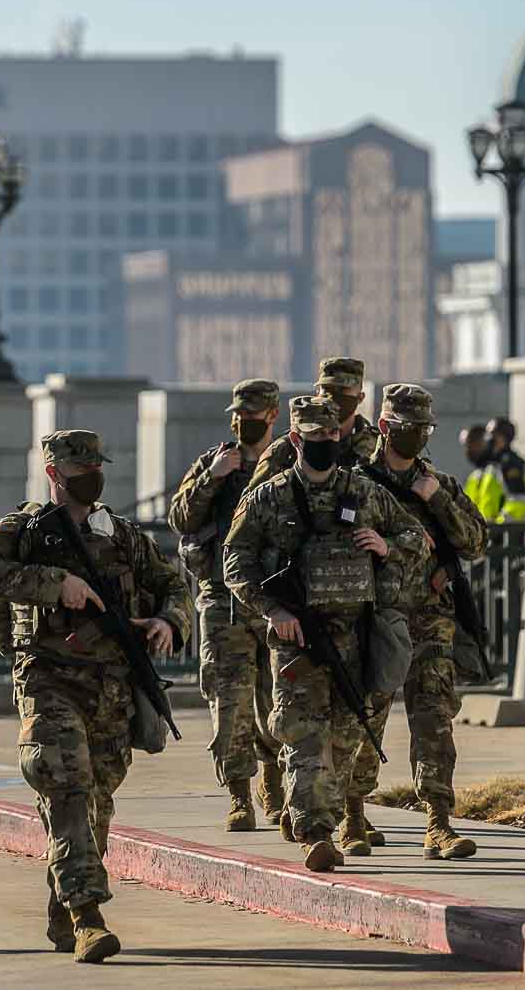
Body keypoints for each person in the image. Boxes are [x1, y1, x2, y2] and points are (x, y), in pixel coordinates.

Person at [0, 430, 191, 963]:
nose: (91, 476)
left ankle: (63, 906)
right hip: (50, 681)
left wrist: (168, 620)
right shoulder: (23, 530)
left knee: (95, 806)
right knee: (66, 788)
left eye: (96, 466)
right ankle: (89, 914)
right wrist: (55, 584)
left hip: (112, 689)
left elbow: (174, 585)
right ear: (54, 474)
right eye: (78, 469)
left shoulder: (123, 534)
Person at [222, 396, 428, 873]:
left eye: (331, 437)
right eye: (314, 439)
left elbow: (415, 537)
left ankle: (322, 816)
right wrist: (271, 610)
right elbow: (235, 561)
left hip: (355, 638)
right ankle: (315, 832)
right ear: (295, 440)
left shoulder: (363, 492)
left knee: (345, 740)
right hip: (297, 639)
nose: (324, 445)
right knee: (304, 734)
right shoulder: (268, 497)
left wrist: (386, 544)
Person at [346, 384, 489, 860]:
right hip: (379, 619)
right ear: (385, 428)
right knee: (368, 719)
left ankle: (439, 823)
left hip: (431, 620)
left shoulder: (438, 485)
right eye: (409, 429)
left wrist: (439, 502)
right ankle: (352, 815)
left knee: (434, 719)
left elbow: (475, 541)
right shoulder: (358, 483)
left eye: (424, 429)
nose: (418, 437)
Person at [167, 377, 285, 832]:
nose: (243, 422)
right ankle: (239, 793)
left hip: (274, 598)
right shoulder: (214, 463)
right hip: (222, 599)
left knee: (278, 698)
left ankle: (273, 779)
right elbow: (180, 518)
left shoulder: (285, 463)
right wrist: (212, 478)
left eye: (252, 415)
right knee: (228, 699)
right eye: (237, 414)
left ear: (272, 416)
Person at [246, 357, 379, 491]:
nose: (332, 397)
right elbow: (252, 502)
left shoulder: (376, 446)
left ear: (360, 398)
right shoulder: (288, 447)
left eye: (342, 390)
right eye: (327, 390)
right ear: (317, 393)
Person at [474, 417, 525, 525]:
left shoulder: (511, 464)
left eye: (489, 434)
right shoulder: (494, 464)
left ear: (500, 439)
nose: (486, 439)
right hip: (489, 534)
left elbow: (518, 501)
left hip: (505, 536)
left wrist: (498, 527)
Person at [459, 423, 493, 515]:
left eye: (473, 445)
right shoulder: (474, 476)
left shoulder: (499, 471)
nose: (469, 450)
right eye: (467, 446)